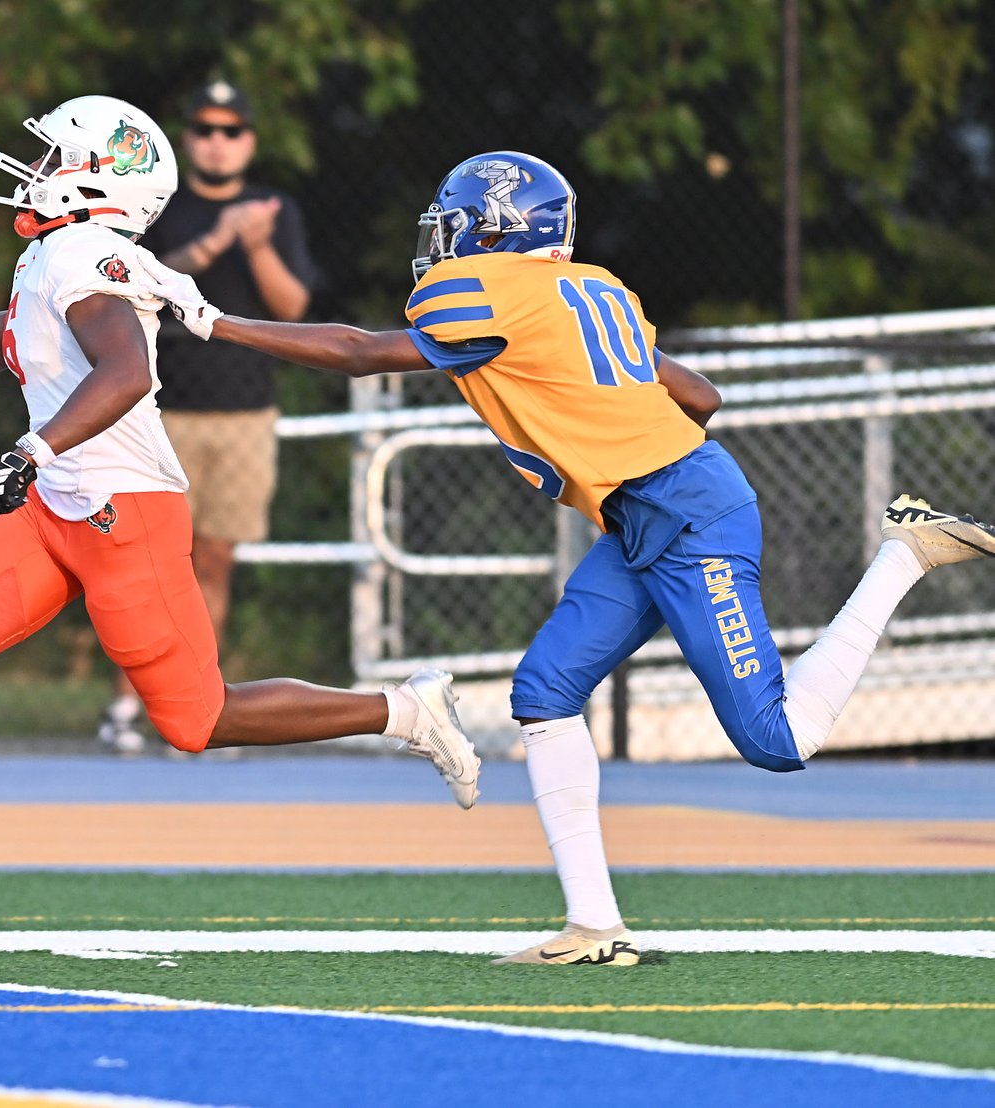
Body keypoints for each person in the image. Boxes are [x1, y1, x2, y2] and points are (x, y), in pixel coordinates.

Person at [144, 150, 995, 966]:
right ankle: (595, 924)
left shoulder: (479, 290)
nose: (442, 241)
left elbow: (363, 355)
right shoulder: (595, 288)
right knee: (544, 690)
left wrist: (214, 321)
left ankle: (905, 554)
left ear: (495, 226)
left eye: (456, 224)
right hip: (657, 505)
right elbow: (699, 396)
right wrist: (614, 454)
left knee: (779, 739)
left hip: (684, 517)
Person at [0, 96, 481, 938]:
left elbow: (126, 371)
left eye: (57, 158)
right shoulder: (53, 258)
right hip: (60, 509)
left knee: (197, 719)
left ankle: (404, 712)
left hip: (120, 513)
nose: (38, 171)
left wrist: (29, 452)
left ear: (100, 180)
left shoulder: (85, 256)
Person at [96, 80, 317, 755]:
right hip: (158, 410)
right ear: (187, 137)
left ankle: (193, 703)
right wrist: (220, 239)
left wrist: (254, 245)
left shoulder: (278, 211)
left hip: (244, 413)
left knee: (214, 560)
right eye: (205, 129)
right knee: (137, 559)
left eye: (232, 130)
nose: (217, 142)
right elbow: (139, 282)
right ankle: (124, 708)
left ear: (249, 140)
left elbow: (294, 309)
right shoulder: (160, 206)